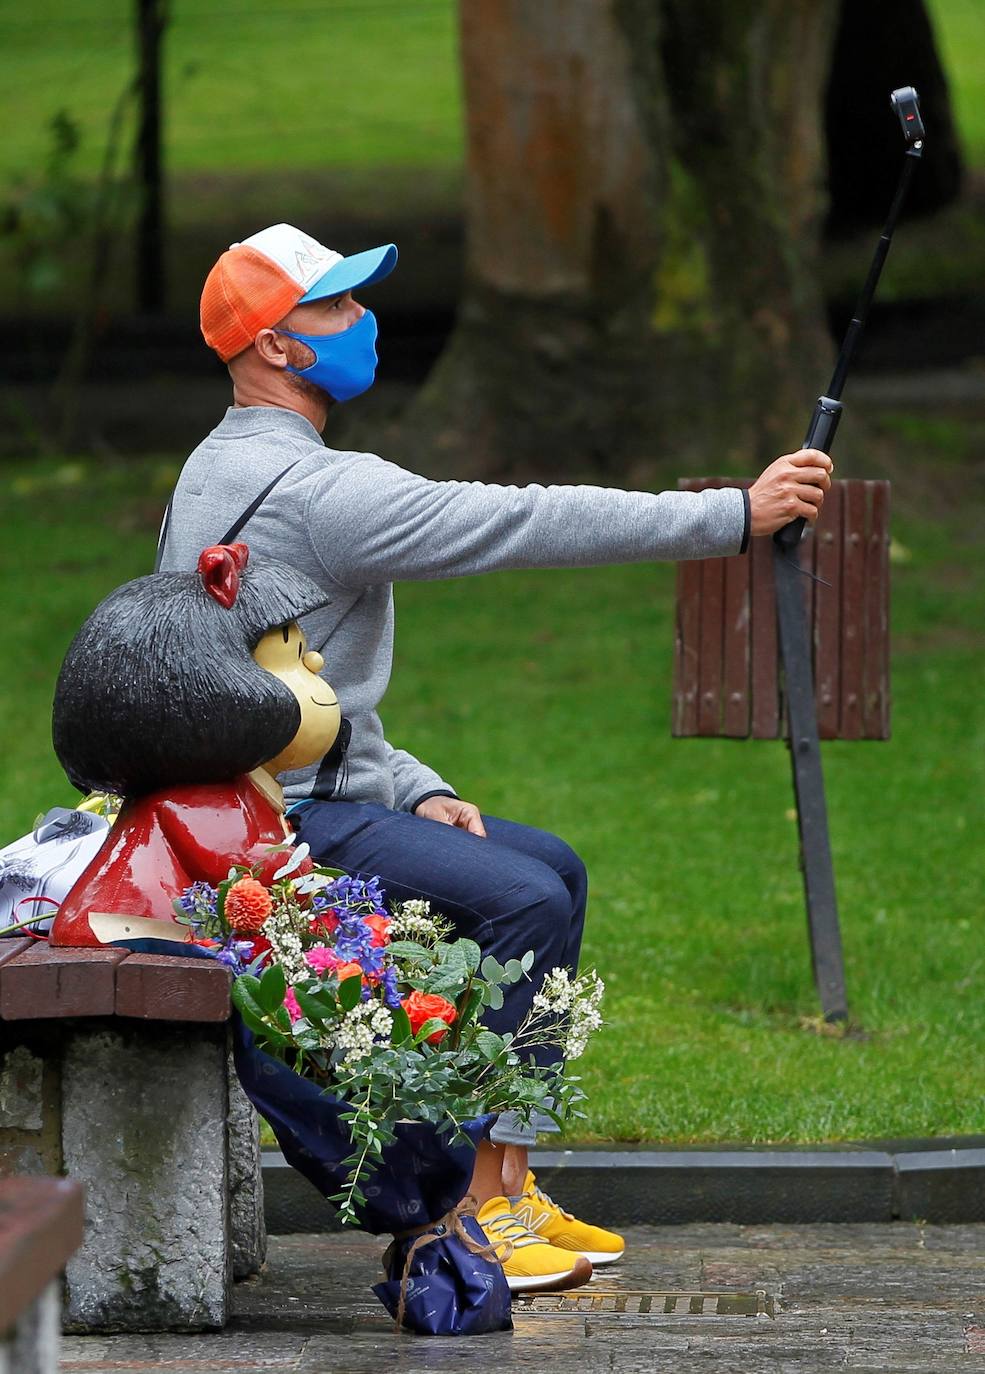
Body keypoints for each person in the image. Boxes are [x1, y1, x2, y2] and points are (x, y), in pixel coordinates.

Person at [160, 223, 832, 1293]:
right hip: (277, 830)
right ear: (276, 348)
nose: (362, 321)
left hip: (266, 797)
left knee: (553, 867)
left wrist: (418, 786)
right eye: (335, 309)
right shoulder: (316, 491)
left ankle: (508, 1185)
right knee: (523, 896)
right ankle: (478, 1213)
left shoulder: (222, 465)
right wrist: (732, 516)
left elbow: (296, 682)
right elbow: (519, 522)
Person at [48, 543, 341, 945]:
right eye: (291, 656)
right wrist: (300, 869)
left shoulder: (234, 790)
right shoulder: (190, 802)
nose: (317, 664)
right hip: (133, 932)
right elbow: (240, 869)